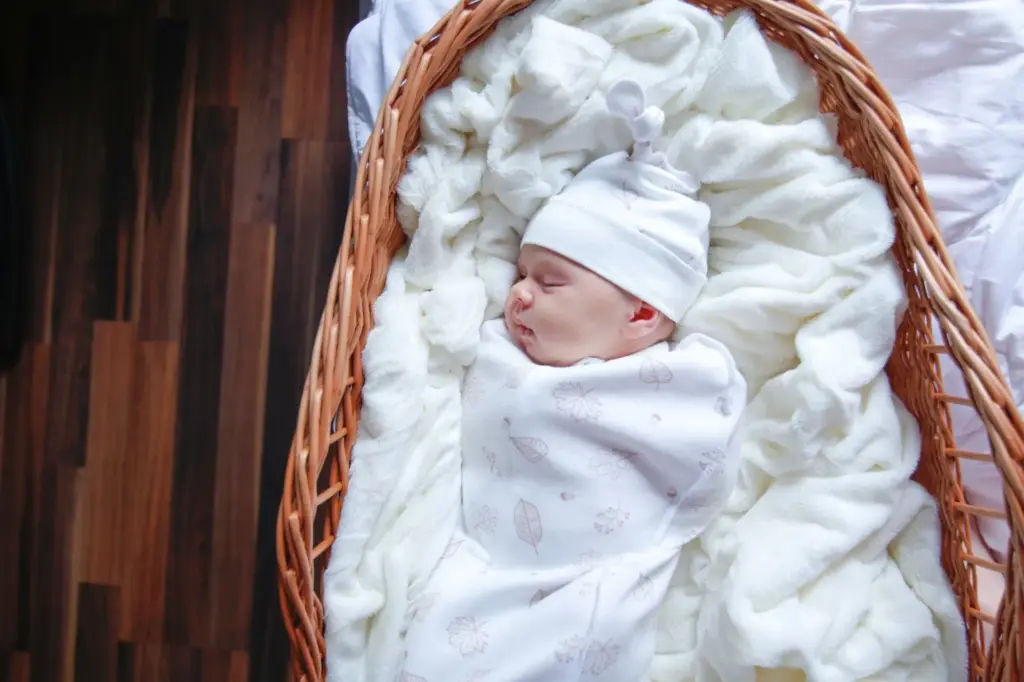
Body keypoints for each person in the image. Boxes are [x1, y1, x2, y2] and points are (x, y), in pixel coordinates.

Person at [398, 80, 747, 681]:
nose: (517, 294)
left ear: (640, 315)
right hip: (481, 571)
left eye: (549, 282)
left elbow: (706, 444)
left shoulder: (670, 383)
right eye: (522, 273)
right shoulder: (499, 353)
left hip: (586, 590)